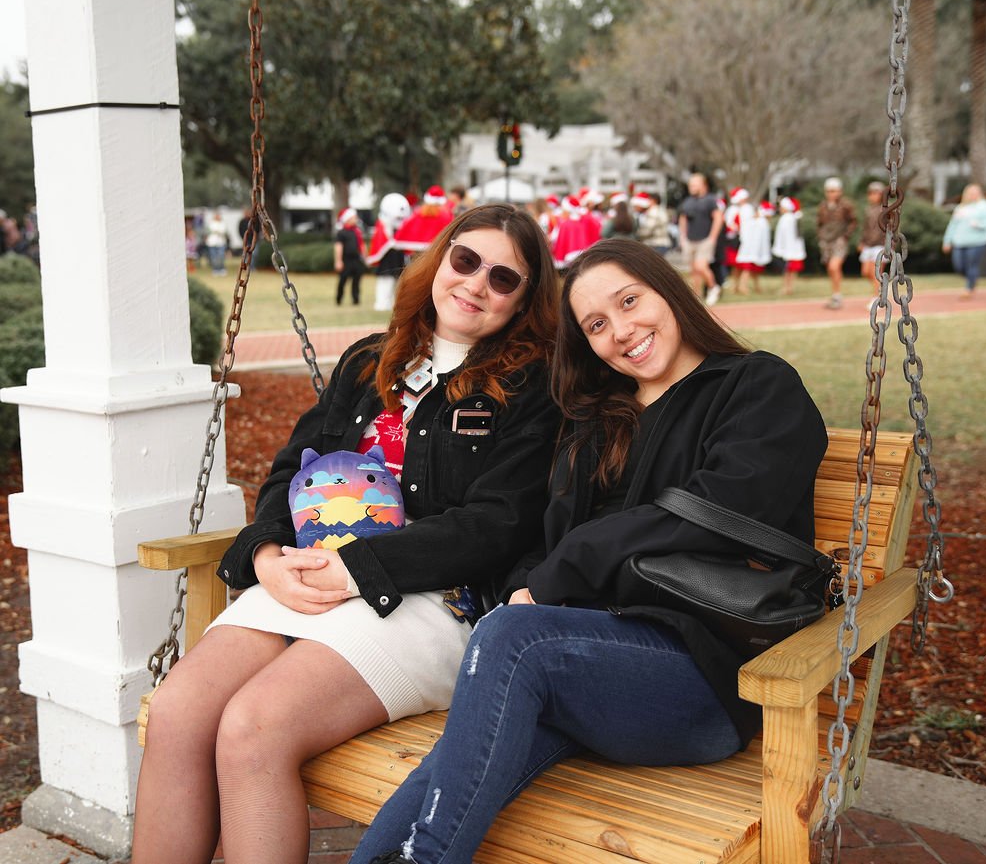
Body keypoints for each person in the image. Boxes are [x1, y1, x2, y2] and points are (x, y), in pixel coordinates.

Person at [350, 238, 828, 864]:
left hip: (704, 675)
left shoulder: (755, 386)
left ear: (670, 292)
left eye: (631, 302)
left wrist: (560, 575)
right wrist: (533, 580)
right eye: (597, 325)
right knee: (451, 767)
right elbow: (545, 542)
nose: (622, 331)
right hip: (577, 669)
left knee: (511, 641)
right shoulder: (601, 420)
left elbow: (722, 514)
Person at [131, 203, 562, 864]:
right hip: (310, 575)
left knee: (253, 728)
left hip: (430, 600)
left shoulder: (528, 387)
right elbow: (291, 470)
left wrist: (359, 567)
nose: (476, 284)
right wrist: (268, 553)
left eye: (503, 278)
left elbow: (496, 524)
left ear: (525, 299)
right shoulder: (371, 361)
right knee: (178, 711)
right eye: (466, 260)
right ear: (438, 260)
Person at [942, 183, 986, 300]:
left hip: (977, 242)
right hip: (959, 242)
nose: (973, 195)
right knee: (959, 267)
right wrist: (947, 241)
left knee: (972, 265)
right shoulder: (961, 207)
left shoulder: (984, 206)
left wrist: (980, 224)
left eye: (975, 192)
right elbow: (952, 225)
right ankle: (972, 279)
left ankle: (969, 288)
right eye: (971, 192)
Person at [678, 173, 725, 306]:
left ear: (703, 185)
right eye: (690, 185)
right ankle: (697, 297)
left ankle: (713, 287)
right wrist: (683, 236)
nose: (691, 187)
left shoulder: (710, 200)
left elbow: (718, 218)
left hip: (705, 239)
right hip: (690, 239)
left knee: (701, 266)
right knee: (694, 271)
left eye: (694, 184)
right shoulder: (688, 201)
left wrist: (713, 237)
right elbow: (683, 218)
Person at [816, 177, 857, 309]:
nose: (831, 194)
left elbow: (853, 221)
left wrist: (845, 236)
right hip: (826, 241)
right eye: (828, 191)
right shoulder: (823, 205)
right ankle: (835, 295)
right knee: (830, 269)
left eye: (833, 191)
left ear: (840, 191)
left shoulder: (846, 205)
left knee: (834, 266)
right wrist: (821, 235)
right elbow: (819, 223)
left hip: (839, 240)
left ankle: (838, 295)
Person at [367, 193, 412, 312]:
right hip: (386, 259)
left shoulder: (402, 226)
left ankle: (395, 304)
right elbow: (381, 242)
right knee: (385, 282)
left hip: (398, 258)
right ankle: (382, 304)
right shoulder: (382, 225)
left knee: (398, 282)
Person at [734, 200, 774, 295]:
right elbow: (759, 240)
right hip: (752, 251)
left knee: (753, 270)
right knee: (747, 269)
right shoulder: (762, 222)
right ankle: (742, 286)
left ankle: (756, 287)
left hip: (750, 250)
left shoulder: (756, 221)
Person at [858, 181, 887, 307]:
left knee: (876, 272)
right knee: (865, 271)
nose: (873, 196)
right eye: (871, 193)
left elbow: (892, 229)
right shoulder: (867, 210)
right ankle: (882, 287)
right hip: (869, 244)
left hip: (881, 245)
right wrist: (862, 241)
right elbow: (865, 228)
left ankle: (877, 297)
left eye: (876, 193)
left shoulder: (887, 210)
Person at [772, 196, 806, 296]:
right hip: (791, 248)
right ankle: (788, 287)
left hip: (790, 249)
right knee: (789, 270)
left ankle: (787, 287)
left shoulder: (788, 218)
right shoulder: (792, 218)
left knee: (789, 269)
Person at [333, 207, 367, 306]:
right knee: (343, 280)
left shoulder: (357, 231)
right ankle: (339, 299)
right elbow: (338, 247)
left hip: (356, 259)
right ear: (347, 219)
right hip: (346, 260)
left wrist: (365, 257)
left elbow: (361, 244)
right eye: (354, 217)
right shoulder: (341, 233)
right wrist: (338, 261)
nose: (356, 219)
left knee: (356, 280)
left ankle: (355, 299)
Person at [205, 209, 229, 276]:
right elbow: (208, 231)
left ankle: (221, 269)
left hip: (221, 243)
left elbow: (223, 231)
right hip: (212, 243)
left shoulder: (223, 223)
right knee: (213, 257)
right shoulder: (211, 223)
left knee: (221, 256)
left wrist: (216, 231)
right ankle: (215, 269)